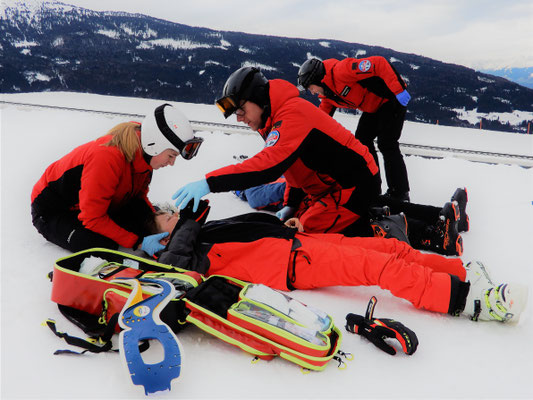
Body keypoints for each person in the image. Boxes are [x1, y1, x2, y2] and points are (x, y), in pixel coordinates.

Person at [145, 201, 527, 324]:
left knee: (389, 250)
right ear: (160, 237)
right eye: (165, 214)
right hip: (297, 263)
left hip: (299, 242)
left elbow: (249, 235)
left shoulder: (196, 231)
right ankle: (469, 303)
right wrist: (186, 227)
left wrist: (281, 222)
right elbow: (179, 267)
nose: (173, 211)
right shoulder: (177, 254)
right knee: (379, 269)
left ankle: (459, 272)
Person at [173, 66, 381, 237]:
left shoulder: (292, 114)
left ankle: (382, 229)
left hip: (353, 186)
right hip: (325, 188)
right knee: (288, 224)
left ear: (257, 97)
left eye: (240, 110)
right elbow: (293, 168)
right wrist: (292, 204)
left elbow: (269, 166)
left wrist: (211, 182)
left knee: (302, 236)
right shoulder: (270, 120)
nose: (239, 118)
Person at [31, 103, 204, 256]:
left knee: (141, 223)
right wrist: (139, 242)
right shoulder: (106, 158)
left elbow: (138, 197)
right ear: (155, 145)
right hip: (54, 211)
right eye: (171, 155)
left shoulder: (144, 157)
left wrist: (153, 222)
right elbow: (92, 218)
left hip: (102, 206)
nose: (172, 163)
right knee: (101, 246)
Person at [234, 179, 469, 256]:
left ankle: (444, 217)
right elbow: (260, 197)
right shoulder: (264, 186)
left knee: (382, 205)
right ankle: (437, 236)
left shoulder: (283, 172)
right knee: (376, 219)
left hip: (331, 198)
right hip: (319, 212)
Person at [297, 57, 411, 201]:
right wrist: (305, 138)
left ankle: (400, 193)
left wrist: (399, 89)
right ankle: (374, 188)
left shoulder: (341, 71)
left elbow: (379, 63)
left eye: (311, 87)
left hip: (392, 97)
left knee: (387, 144)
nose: (312, 92)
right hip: (374, 107)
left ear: (318, 79)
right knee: (362, 142)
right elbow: (320, 120)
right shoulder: (328, 96)